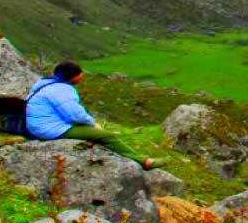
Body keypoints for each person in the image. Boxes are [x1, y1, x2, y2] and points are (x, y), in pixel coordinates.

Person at [26, 61, 166, 170]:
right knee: (106, 136)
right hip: (49, 130)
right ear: (73, 76)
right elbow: (75, 115)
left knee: (93, 133)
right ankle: (145, 162)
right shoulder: (62, 89)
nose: (82, 77)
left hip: (39, 126)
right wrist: (93, 124)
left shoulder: (45, 84)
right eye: (80, 74)